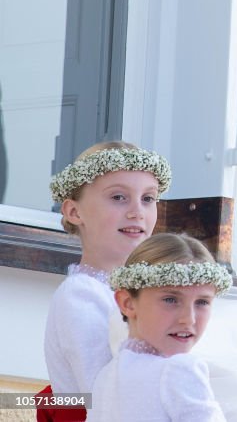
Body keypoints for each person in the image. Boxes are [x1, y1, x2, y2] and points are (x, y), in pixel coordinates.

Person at [40, 141, 169, 421]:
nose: (137, 211)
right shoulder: (80, 295)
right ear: (74, 212)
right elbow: (102, 398)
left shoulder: (144, 293)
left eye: (148, 198)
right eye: (119, 197)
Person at [90, 233, 232, 421]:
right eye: (171, 299)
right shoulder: (179, 370)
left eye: (202, 302)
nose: (188, 319)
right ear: (127, 303)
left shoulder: (105, 376)